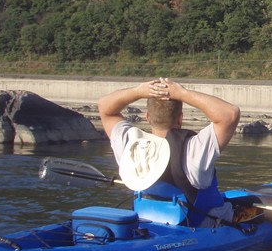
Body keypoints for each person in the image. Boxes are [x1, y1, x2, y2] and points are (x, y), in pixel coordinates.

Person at [98, 77, 241, 227]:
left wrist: (138, 91)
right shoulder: (194, 149)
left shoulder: (130, 145)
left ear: (147, 117)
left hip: (148, 222)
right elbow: (230, 114)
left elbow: (105, 107)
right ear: (180, 119)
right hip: (199, 228)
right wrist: (182, 93)